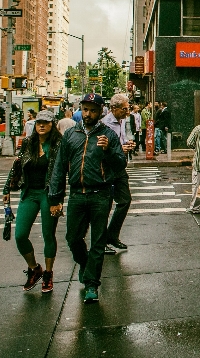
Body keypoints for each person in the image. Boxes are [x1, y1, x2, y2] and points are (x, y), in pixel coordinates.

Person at [49, 93, 125, 304]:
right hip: (76, 195)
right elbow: (59, 167)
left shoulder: (108, 135)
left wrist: (108, 151)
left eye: (92, 110)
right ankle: (85, 264)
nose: (88, 114)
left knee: (98, 242)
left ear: (101, 112)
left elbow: (120, 164)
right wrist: (55, 197)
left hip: (100, 194)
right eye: (85, 109)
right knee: (73, 239)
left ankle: (92, 283)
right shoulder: (71, 135)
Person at [3, 110, 62, 293]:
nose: (41, 126)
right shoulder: (28, 142)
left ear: (52, 125)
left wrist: (57, 199)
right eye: (38, 123)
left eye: (45, 122)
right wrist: (6, 189)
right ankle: (35, 268)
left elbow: (60, 174)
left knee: (48, 235)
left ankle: (48, 274)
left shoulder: (58, 144)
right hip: (29, 192)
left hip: (48, 194)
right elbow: (17, 166)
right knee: (20, 235)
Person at [102, 94, 135, 252]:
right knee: (105, 206)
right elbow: (100, 148)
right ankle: (102, 242)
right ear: (114, 109)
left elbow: (121, 139)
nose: (127, 112)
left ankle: (112, 236)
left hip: (120, 167)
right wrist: (118, 149)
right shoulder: (104, 124)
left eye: (127, 108)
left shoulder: (122, 121)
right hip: (108, 168)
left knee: (125, 200)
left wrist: (127, 144)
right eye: (124, 109)